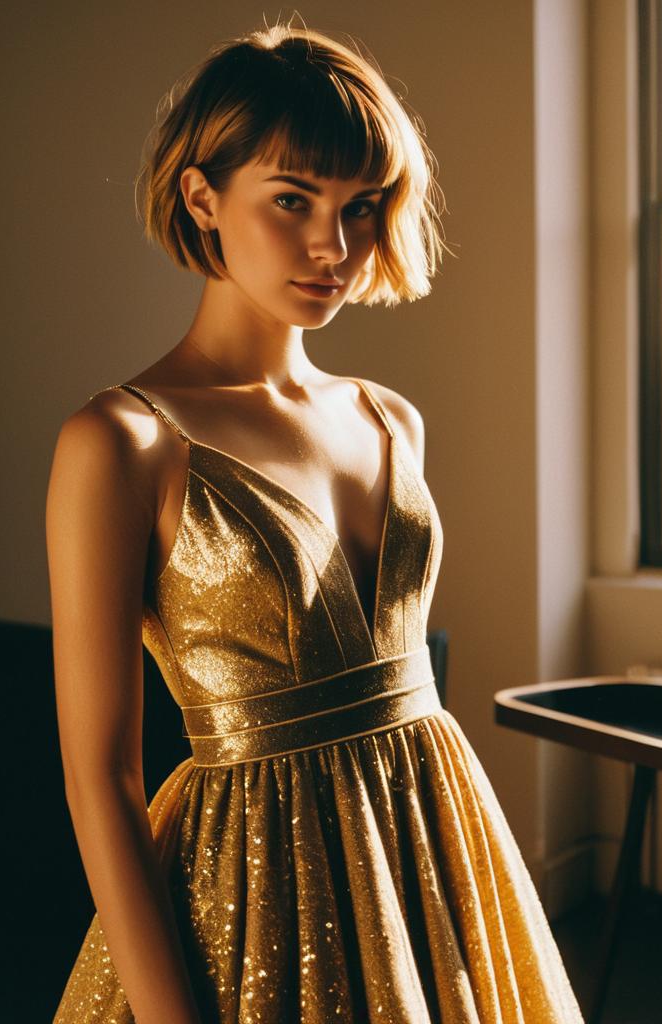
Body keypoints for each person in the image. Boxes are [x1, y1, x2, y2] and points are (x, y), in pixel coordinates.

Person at [47, 17, 585, 1024]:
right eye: (292, 199)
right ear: (201, 198)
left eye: (360, 206)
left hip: (434, 849)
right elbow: (100, 778)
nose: (333, 246)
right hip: (257, 892)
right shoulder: (121, 442)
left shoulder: (389, 420)